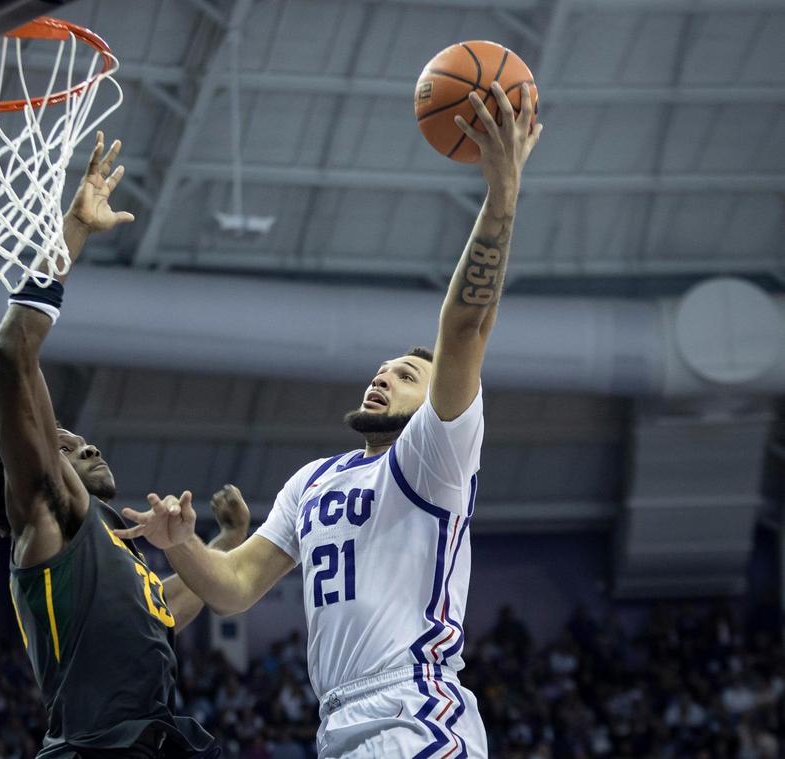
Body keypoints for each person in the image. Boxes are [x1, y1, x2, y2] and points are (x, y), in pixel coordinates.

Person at [114, 84, 543, 758]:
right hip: (338, 723)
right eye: (382, 368)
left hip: (413, 711)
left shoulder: (435, 454)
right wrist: (182, 545)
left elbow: (463, 328)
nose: (383, 375)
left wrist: (501, 195)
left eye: (405, 375)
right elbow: (234, 588)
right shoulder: (311, 482)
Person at [0, 132, 243, 758]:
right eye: (65, 444)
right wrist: (74, 230)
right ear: (31, 463)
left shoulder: (113, 546)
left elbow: (165, 607)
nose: (86, 448)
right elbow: (13, 354)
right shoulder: (48, 516)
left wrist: (224, 544)